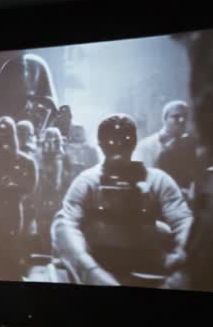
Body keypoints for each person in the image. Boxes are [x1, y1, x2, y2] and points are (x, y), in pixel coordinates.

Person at [51, 115, 193, 288]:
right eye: (111, 140)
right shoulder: (87, 181)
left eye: (125, 139)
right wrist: (89, 269)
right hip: (98, 265)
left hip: (149, 266)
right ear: (101, 144)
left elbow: (183, 219)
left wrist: (182, 251)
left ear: (133, 142)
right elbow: (64, 224)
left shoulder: (158, 180)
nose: (118, 146)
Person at [0, 116, 38, 242]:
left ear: (13, 134)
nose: (3, 137)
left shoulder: (27, 161)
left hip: (15, 209)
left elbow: (30, 188)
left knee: (13, 246)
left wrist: (13, 185)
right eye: (0, 132)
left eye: (7, 133)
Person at [133, 101, 200, 195]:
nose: (182, 120)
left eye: (185, 116)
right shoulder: (145, 146)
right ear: (164, 119)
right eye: (176, 116)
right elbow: (140, 180)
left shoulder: (191, 146)